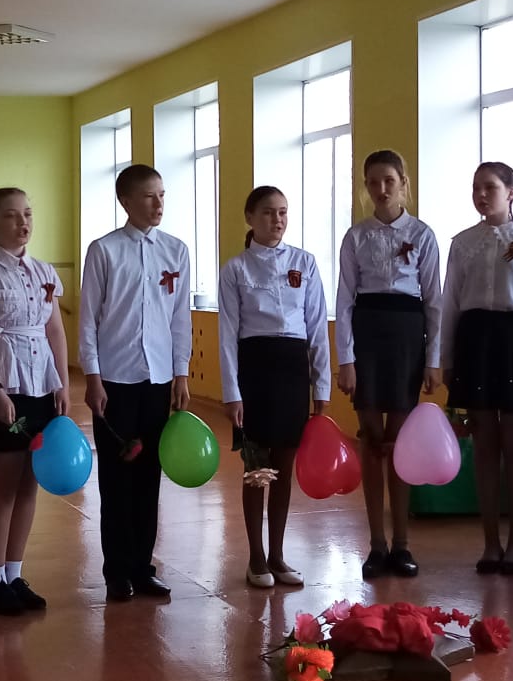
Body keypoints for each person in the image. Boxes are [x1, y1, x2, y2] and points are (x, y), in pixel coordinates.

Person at [79, 164, 192, 602]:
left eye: (162, 194)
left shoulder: (176, 251)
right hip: (115, 379)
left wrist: (181, 372)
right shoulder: (104, 251)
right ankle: (117, 572)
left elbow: (179, 319)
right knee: (116, 478)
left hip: (158, 378)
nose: (158, 203)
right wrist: (92, 376)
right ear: (125, 201)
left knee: (149, 476)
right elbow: (88, 320)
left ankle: (143, 567)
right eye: (148, 196)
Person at [441, 161, 513, 576]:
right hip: (475, 342)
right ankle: (490, 542)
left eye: (489, 187)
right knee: (485, 447)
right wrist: (446, 359)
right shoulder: (462, 243)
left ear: (511, 191)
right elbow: (450, 303)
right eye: (475, 187)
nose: (480, 195)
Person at [0, 187, 70, 614]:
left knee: (29, 484)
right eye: (11, 215)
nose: (22, 223)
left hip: (41, 384)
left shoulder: (43, 271)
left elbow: (54, 330)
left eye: (27, 214)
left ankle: (14, 574)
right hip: (3, 386)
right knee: (4, 486)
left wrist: (63, 383)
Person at [334, 150, 441, 580]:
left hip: (406, 336)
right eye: (373, 182)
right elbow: (344, 300)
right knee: (372, 438)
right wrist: (346, 358)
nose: (381, 189)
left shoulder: (422, 234)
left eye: (389, 181)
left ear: (403, 184)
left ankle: (402, 543)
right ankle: (376, 544)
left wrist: (433, 360)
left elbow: (434, 302)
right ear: (366, 186)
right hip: (367, 335)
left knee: (400, 441)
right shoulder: (356, 236)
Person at [219, 186, 330, 589]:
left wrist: (322, 387)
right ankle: (255, 557)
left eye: (283, 212)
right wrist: (232, 392)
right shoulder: (236, 269)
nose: (277, 220)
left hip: (293, 368)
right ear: (250, 217)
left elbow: (317, 326)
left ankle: (278, 555)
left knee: (283, 467)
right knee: (257, 467)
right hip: (255, 368)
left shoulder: (305, 262)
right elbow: (227, 334)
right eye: (268, 212)